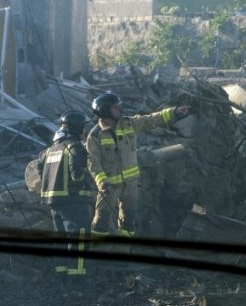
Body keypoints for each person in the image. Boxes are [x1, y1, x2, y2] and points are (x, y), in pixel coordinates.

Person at [85, 93, 191, 237]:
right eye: (116, 107)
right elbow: (93, 162)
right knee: (101, 222)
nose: (120, 110)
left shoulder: (128, 123)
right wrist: (102, 182)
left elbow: (150, 120)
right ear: (104, 111)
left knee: (129, 222)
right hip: (109, 187)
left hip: (131, 185)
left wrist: (174, 112)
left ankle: (124, 251)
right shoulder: (95, 135)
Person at [37, 110, 93, 275]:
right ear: (77, 128)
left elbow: (39, 165)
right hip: (73, 199)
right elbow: (77, 175)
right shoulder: (74, 146)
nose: (85, 132)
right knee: (80, 236)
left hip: (54, 200)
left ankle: (61, 273)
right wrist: (85, 176)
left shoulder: (50, 149)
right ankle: (78, 274)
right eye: (84, 128)